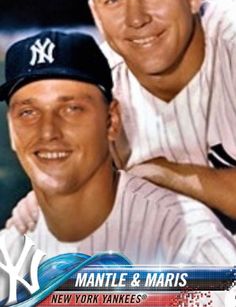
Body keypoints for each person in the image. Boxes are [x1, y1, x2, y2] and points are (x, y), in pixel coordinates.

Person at [7, 0, 236, 232]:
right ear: (96, 15)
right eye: (113, 0)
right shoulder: (96, 81)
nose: (136, 18)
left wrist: (164, 175)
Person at [1, 29, 235, 287]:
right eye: (28, 112)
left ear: (111, 120)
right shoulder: (11, 250)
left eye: (71, 109)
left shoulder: (188, 240)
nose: (48, 132)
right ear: (11, 130)